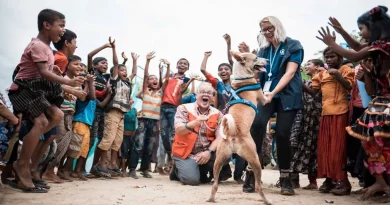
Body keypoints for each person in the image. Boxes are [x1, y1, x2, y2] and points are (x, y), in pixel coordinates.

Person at [7, 9, 84, 191]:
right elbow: (42, 74)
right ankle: (22, 164)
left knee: (56, 115)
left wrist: (61, 81)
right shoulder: (38, 45)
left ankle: (28, 153)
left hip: (36, 91)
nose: (63, 30)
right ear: (46, 25)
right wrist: (68, 82)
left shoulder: (47, 49)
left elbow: (46, 75)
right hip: (23, 90)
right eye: (61, 26)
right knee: (41, 122)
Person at [239, 16, 304, 195]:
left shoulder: (293, 45)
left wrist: (273, 92)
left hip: (287, 95)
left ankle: (285, 179)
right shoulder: (262, 51)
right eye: (264, 30)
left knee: (283, 134)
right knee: (256, 126)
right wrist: (246, 57)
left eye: (270, 28)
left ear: (278, 27)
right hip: (265, 95)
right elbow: (255, 76)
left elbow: (290, 72)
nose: (267, 32)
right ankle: (251, 173)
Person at [309, 48, 354, 195]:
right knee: (326, 148)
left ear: (340, 58)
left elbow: (349, 86)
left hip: (340, 112)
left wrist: (338, 75)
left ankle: (342, 181)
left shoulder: (345, 69)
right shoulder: (322, 73)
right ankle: (329, 179)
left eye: (332, 57)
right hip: (326, 113)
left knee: (337, 148)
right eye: (327, 57)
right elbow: (314, 92)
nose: (329, 60)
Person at [169, 82, 230, 185]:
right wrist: (195, 123)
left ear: (212, 98)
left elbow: (219, 137)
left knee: (226, 152)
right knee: (192, 181)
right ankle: (177, 171)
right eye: (202, 92)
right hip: (186, 153)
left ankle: (199, 171)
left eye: (209, 93)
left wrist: (209, 152)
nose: (205, 94)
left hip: (205, 153)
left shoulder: (218, 114)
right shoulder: (183, 108)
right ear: (196, 95)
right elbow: (179, 129)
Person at [94, 37, 134, 178]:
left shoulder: (128, 83)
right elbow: (116, 63)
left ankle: (111, 164)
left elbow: (133, 73)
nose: (124, 71)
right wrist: (114, 48)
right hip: (112, 113)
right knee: (108, 138)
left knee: (117, 142)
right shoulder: (115, 80)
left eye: (125, 70)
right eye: (121, 70)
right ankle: (101, 164)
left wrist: (134, 60)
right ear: (116, 72)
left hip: (122, 114)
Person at [128, 52, 169, 179]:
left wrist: (168, 67)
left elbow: (166, 80)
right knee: (138, 144)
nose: (154, 80)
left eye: (156, 78)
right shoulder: (146, 90)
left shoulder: (161, 93)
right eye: (152, 79)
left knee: (150, 145)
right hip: (143, 120)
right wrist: (147, 61)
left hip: (154, 121)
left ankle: (145, 169)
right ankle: (132, 169)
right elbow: (145, 75)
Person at [291, 59, 323, 190]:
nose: (306, 66)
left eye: (309, 64)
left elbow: (315, 95)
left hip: (316, 120)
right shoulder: (304, 82)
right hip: (303, 120)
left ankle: (313, 181)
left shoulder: (322, 79)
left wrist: (298, 78)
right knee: (299, 147)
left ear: (318, 67)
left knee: (315, 149)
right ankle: (296, 180)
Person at [161, 58, 193, 169]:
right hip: (163, 107)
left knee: (175, 134)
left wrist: (191, 81)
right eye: (180, 63)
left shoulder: (186, 79)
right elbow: (163, 84)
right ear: (177, 65)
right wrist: (167, 67)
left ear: (187, 68)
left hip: (174, 108)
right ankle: (169, 154)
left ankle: (175, 158)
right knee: (164, 133)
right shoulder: (170, 76)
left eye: (185, 64)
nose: (182, 65)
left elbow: (182, 92)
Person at [70, 71, 96, 180]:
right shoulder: (83, 93)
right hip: (80, 122)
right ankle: (67, 170)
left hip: (87, 124)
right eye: (91, 83)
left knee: (84, 149)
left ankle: (77, 171)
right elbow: (85, 98)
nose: (93, 85)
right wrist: (88, 84)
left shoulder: (91, 95)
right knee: (75, 148)